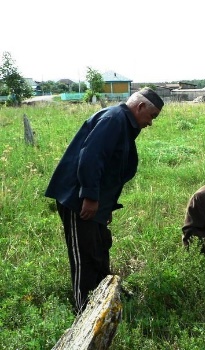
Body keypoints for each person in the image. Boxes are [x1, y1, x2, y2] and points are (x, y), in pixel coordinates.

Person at [45, 87, 164, 313]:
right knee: (85, 254)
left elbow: (112, 169)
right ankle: (85, 308)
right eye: (152, 116)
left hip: (95, 201)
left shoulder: (125, 124)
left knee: (99, 248)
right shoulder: (114, 119)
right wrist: (90, 197)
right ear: (140, 107)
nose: (150, 123)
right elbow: (91, 157)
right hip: (77, 199)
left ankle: (103, 298)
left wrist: (105, 205)